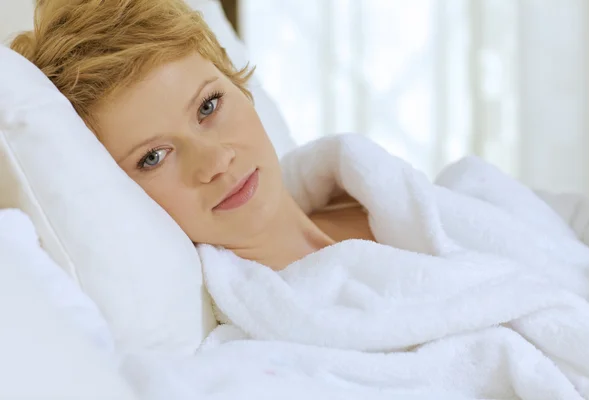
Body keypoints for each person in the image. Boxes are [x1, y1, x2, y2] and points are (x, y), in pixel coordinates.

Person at [11, 0, 375, 270]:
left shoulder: (378, 199)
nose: (216, 161)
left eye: (208, 106)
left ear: (235, 82)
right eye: (153, 157)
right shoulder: (257, 344)